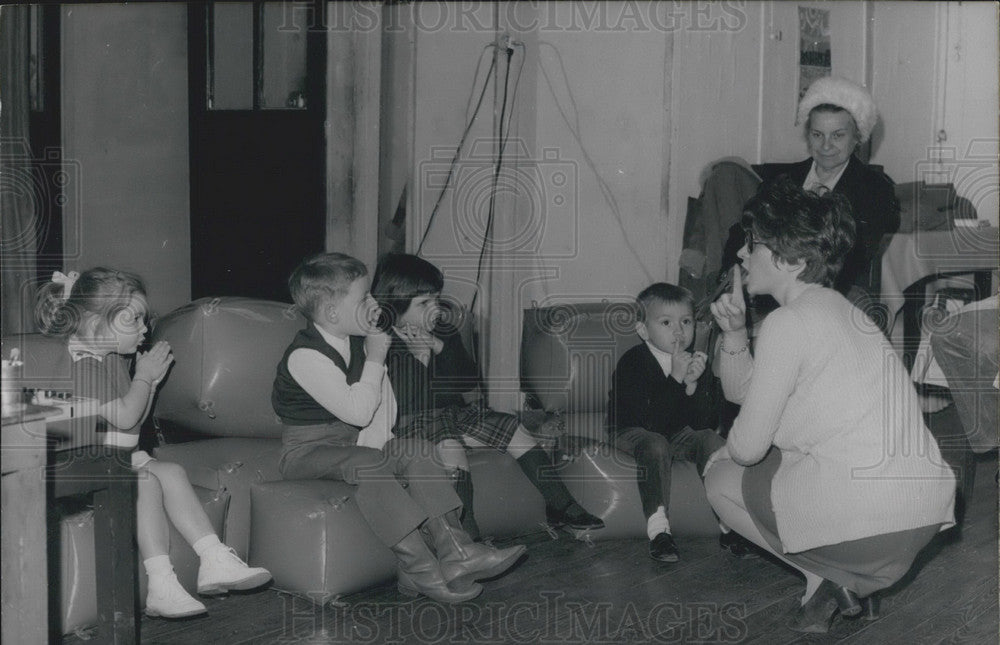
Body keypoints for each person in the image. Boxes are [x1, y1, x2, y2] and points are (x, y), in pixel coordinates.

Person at [705, 179, 956, 634]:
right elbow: (745, 393)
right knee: (760, 461)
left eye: (753, 243)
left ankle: (827, 577)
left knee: (719, 478)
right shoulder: (846, 312)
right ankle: (850, 580)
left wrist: (729, 450)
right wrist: (736, 333)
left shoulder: (787, 322)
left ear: (792, 260)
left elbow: (745, 449)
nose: (741, 253)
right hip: (921, 513)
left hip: (867, 523)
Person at [271, 252, 524, 604]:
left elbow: (383, 412)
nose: (375, 304)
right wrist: (377, 357)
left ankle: (457, 552)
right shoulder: (306, 355)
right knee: (368, 463)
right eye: (364, 298)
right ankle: (419, 568)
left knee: (417, 449)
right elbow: (359, 412)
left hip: (354, 445)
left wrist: (394, 454)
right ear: (332, 313)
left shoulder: (359, 341)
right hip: (307, 451)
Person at [36, 268, 272, 619]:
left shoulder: (109, 358)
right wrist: (144, 378)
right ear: (96, 323)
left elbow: (133, 425)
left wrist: (150, 383)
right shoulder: (84, 364)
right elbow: (126, 418)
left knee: (172, 471)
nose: (145, 329)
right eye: (133, 320)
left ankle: (214, 558)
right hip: (79, 470)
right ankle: (161, 583)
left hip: (113, 456)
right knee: (146, 481)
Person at [370, 253, 604, 539]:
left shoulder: (442, 331)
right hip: (407, 423)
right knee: (449, 442)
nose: (436, 310)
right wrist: (421, 358)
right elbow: (405, 401)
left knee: (513, 427)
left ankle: (561, 504)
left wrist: (440, 348)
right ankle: (467, 534)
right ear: (395, 304)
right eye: (424, 304)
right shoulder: (383, 341)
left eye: (437, 300)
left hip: (450, 415)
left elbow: (468, 381)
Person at [722, 76, 900, 308]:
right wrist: (736, 276)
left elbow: (855, 259)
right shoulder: (782, 179)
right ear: (808, 135)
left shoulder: (875, 189)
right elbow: (743, 232)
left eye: (838, 135)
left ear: (857, 137)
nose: (826, 146)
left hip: (827, 297)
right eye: (817, 134)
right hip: (765, 292)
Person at [606, 282, 754, 562]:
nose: (678, 331)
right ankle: (658, 530)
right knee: (655, 442)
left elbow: (702, 423)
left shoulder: (692, 361)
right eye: (666, 322)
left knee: (710, 439)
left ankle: (730, 524)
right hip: (630, 431)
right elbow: (650, 423)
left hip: (672, 434)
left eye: (686, 321)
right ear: (643, 330)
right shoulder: (633, 362)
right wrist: (675, 379)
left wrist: (692, 385)